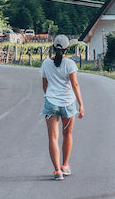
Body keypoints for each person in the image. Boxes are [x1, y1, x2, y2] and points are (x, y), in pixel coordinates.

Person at [40, 34, 84, 180]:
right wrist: (81, 104)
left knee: (53, 138)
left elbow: (44, 85)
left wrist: (51, 96)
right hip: (68, 103)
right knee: (67, 135)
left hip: (51, 103)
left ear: (53, 47)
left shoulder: (46, 63)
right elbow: (75, 84)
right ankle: (65, 165)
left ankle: (57, 171)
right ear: (66, 49)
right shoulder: (70, 64)